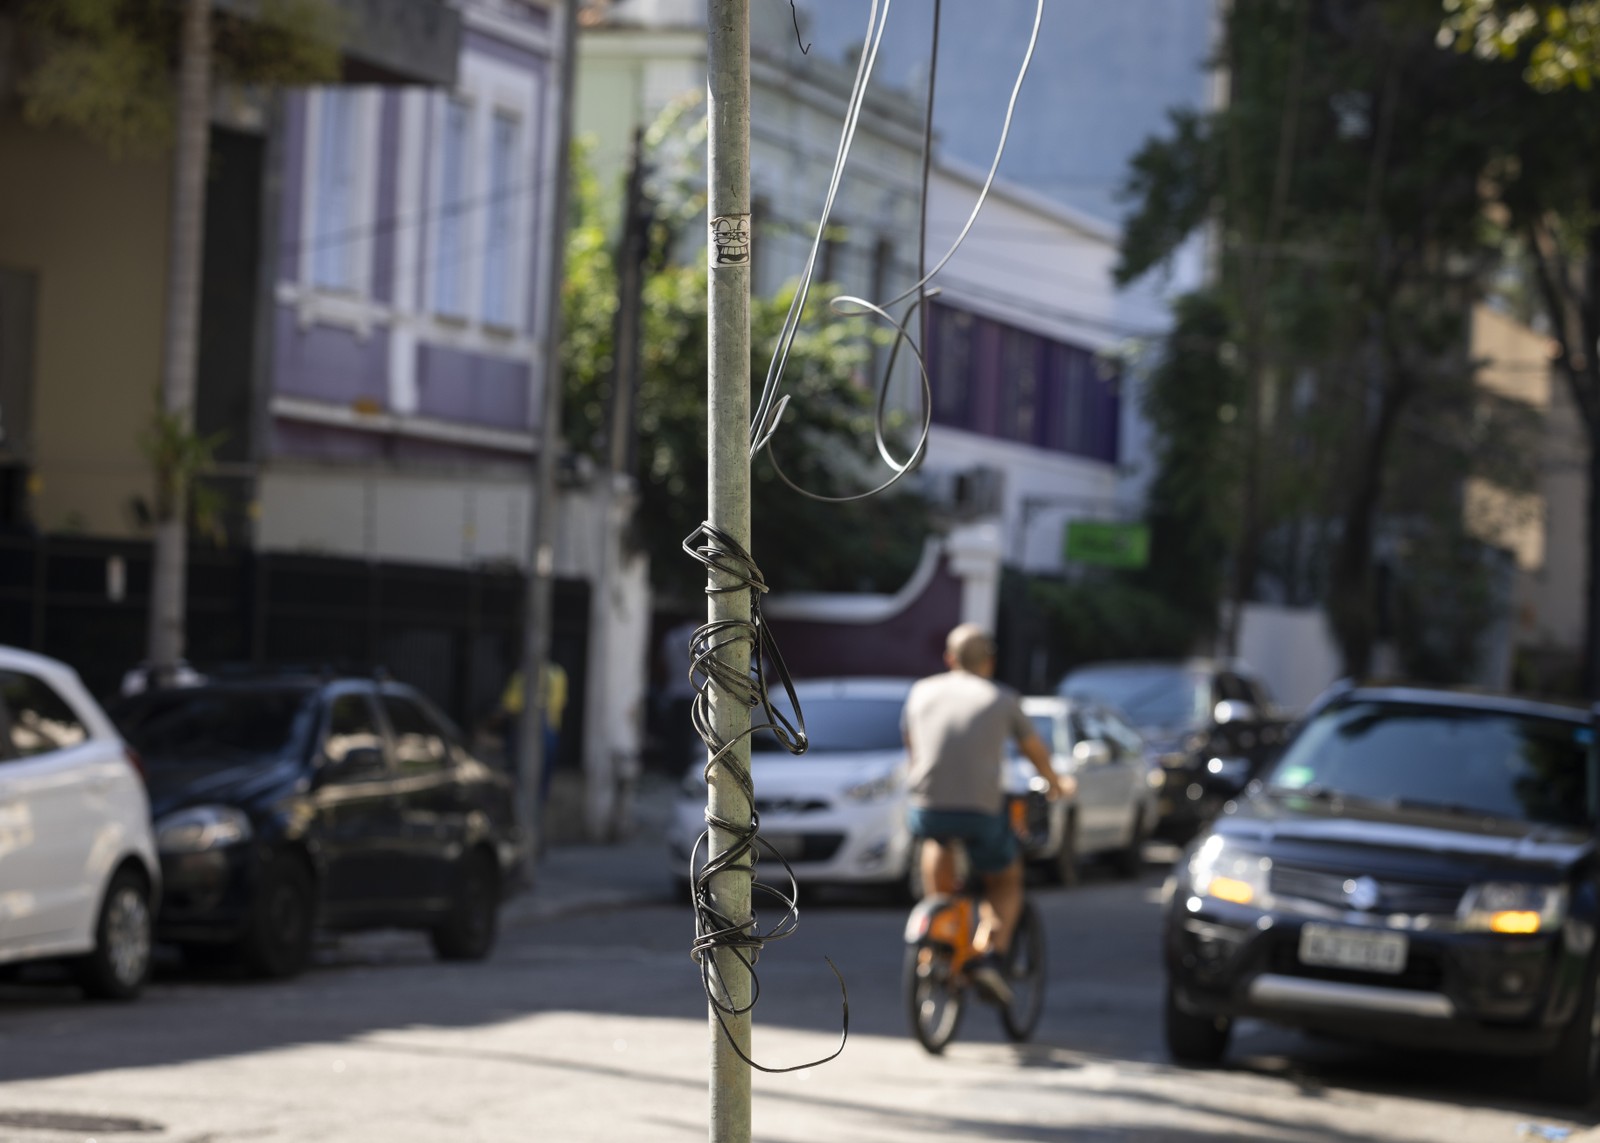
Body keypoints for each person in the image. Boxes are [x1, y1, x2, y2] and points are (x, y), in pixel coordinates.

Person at [902, 623, 1067, 1005]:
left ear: (949, 658)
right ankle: (988, 955)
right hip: (980, 810)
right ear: (989, 661)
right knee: (1005, 880)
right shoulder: (1002, 697)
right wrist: (1056, 783)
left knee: (936, 839)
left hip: (927, 806)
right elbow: (1034, 751)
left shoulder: (920, 692)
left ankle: (938, 927)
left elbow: (913, 747)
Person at [498, 660, 568, 812]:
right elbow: (560, 702)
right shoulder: (557, 674)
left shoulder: (522, 675)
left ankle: (521, 808)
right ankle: (538, 805)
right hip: (550, 733)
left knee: (518, 773)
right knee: (542, 780)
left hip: (529, 733)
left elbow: (510, 705)